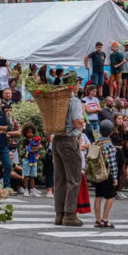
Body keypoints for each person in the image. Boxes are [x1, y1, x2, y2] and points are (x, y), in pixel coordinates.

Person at [53, 86, 86, 227]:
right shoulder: (74, 101)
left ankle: (59, 214)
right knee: (73, 179)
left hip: (57, 139)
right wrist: (83, 125)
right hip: (68, 139)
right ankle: (70, 215)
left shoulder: (57, 100)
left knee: (59, 179)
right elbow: (77, 121)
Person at [90, 120, 118, 228]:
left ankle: (97, 220)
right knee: (110, 196)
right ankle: (105, 218)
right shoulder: (109, 145)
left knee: (98, 196)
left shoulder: (96, 143)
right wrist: (115, 177)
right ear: (111, 132)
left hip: (97, 173)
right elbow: (112, 163)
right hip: (107, 174)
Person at [18, 123, 41, 197]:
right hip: (27, 160)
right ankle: (26, 189)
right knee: (26, 175)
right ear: (25, 133)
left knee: (32, 175)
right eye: (28, 132)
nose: (30, 134)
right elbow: (28, 149)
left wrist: (33, 148)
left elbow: (39, 147)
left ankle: (32, 189)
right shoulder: (25, 141)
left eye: (31, 132)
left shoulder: (35, 140)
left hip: (34, 159)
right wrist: (35, 148)